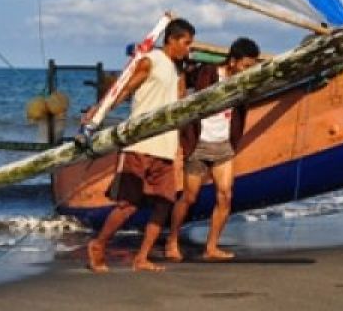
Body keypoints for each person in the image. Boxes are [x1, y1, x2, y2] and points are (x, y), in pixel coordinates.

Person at [85, 17, 194, 273]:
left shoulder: (177, 71)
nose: (189, 48)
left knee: (164, 204)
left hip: (165, 146)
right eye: (186, 43)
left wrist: (178, 143)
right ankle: (98, 245)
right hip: (141, 144)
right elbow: (123, 90)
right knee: (129, 205)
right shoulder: (151, 60)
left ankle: (142, 257)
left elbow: (177, 107)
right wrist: (99, 109)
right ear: (172, 40)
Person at [165, 37, 261, 262]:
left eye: (251, 67)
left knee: (225, 195)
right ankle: (172, 241)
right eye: (245, 66)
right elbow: (182, 76)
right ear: (232, 61)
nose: (247, 71)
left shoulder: (244, 82)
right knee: (189, 197)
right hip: (199, 144)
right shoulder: (208, 72)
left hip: (223, 145)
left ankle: (211, 247)